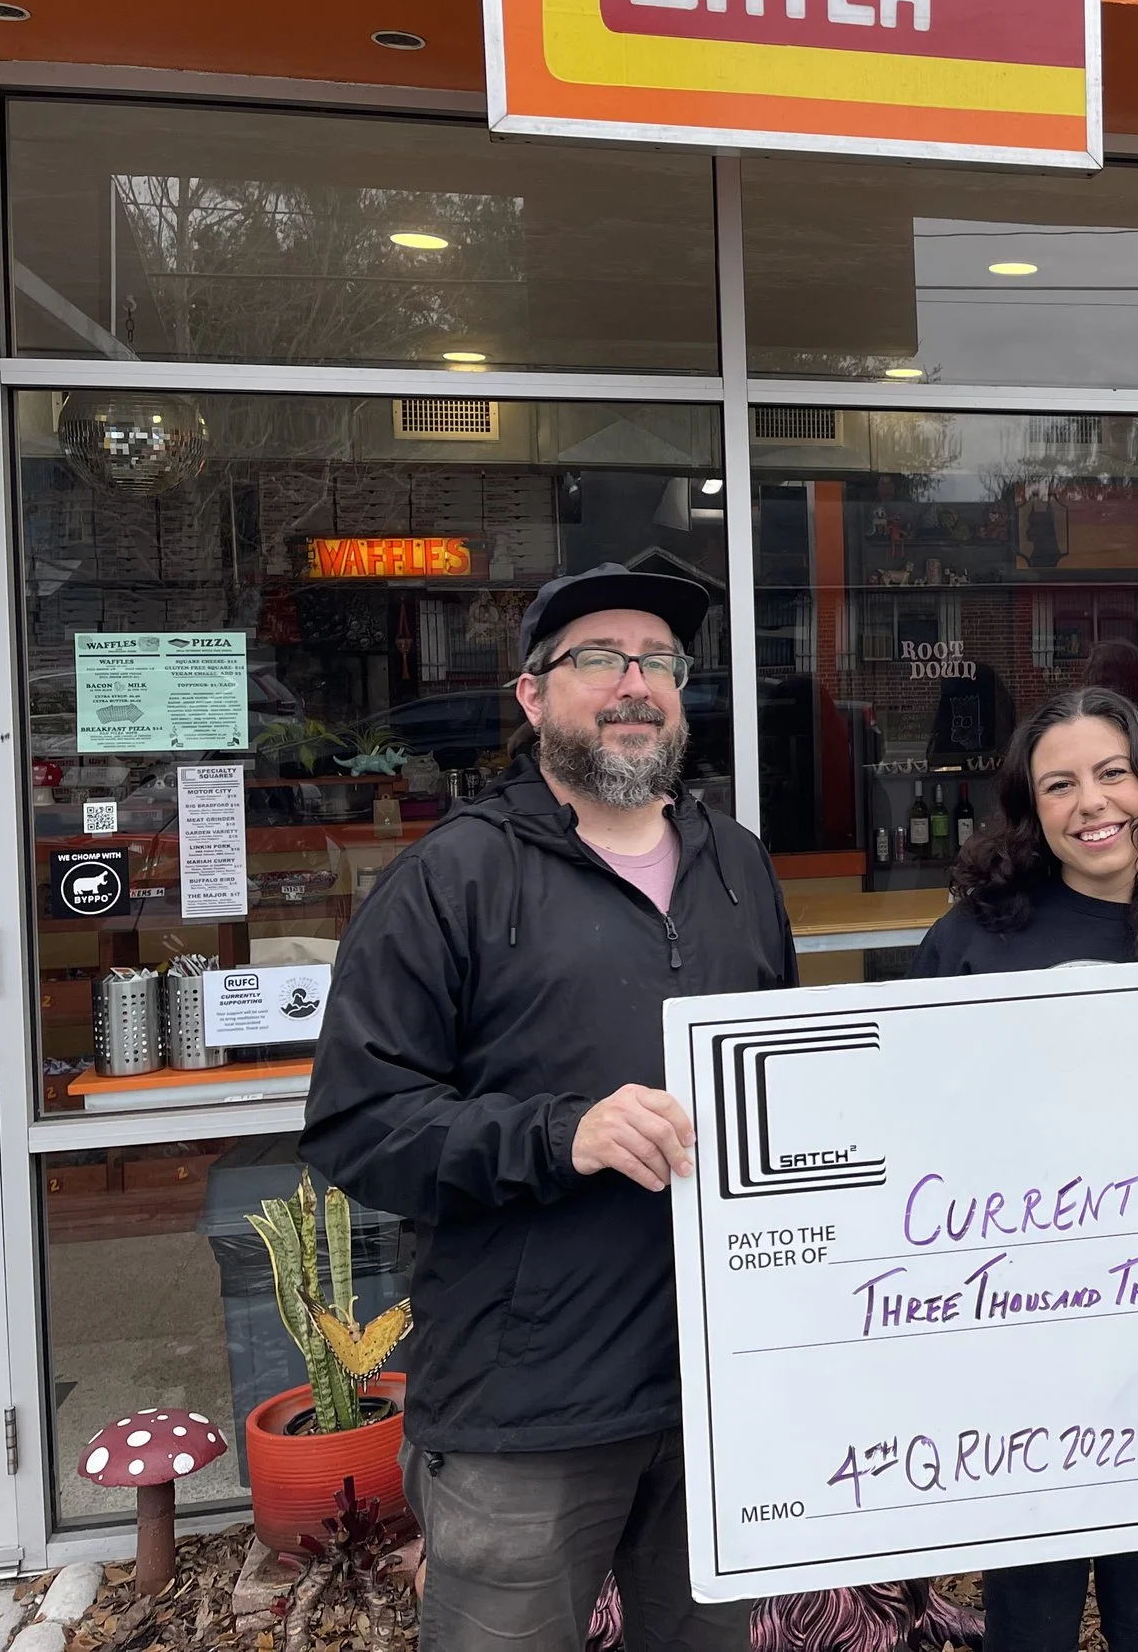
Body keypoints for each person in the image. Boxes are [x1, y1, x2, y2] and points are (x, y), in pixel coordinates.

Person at [303, 562, 799, 1652]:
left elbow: (784, 1087)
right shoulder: (453, 879)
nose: (635, 683)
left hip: (716, 1388)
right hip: (524, 1408)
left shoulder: (739, 869)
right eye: (599, 660)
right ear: (532, 696)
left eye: (658, 662)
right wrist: (560, 1134)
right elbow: (356, 1123)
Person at [908, 685, 1138, 1652]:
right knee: (1029, 1606)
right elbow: (917, 1131)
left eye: (1113, 773)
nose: (1092, 803)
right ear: (1029, 807)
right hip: (1023, 1324)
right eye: (1059, 784)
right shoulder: (972, 941)